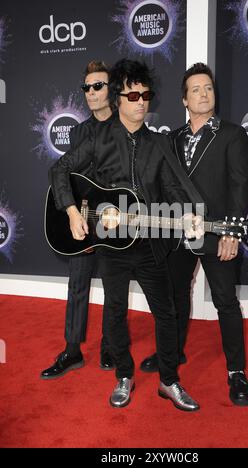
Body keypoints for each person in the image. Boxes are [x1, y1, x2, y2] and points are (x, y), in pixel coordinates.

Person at [42, 58, 204, 411]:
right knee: (114, 313)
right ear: (117, 99)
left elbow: (175, 188)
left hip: (149, 244)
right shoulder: (99, 138)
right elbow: (60, 170)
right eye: (133, 95)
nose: (141, 101)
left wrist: (191, 214)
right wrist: (71, 211)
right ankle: (124, 376)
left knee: (166, 313)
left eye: (146, 94)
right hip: (111, 246)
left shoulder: (159, 144)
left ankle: (169, 381)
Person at [140, 62, 248, 407]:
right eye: (196, 89)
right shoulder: (172, 139)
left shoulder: (233, 135)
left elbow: (241, 185)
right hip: (177, 235)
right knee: (175, 299)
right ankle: (171, 356)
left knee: (225, 303)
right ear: (184, 100)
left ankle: (236, 372)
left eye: (208, 88)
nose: (204, 94)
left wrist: (232, 231)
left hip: (217, 234)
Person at [41, 61, 114, 380]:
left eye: (98, 86)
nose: (91, 93)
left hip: (117, 220)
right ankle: (72, 351)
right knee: (78, 282)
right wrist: (74, 213)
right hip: (84, 220)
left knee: (115, 285)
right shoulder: (79, 131)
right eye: (87, 87)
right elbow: (72, 176)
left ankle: (111, 345)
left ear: (111, 89)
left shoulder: (126, 126)